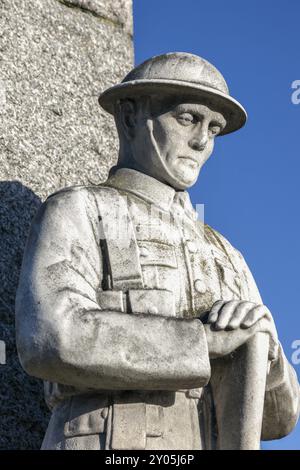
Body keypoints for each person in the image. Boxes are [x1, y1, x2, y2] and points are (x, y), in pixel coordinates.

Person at [15, 52, 299, 450]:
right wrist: (200, 343)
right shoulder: (79, 208)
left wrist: (269, 357)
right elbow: (49, 336)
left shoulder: (226, 255)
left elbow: (280, 421)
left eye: (214, 128)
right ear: (130, 117)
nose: (202, 141)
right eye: (187, 118)